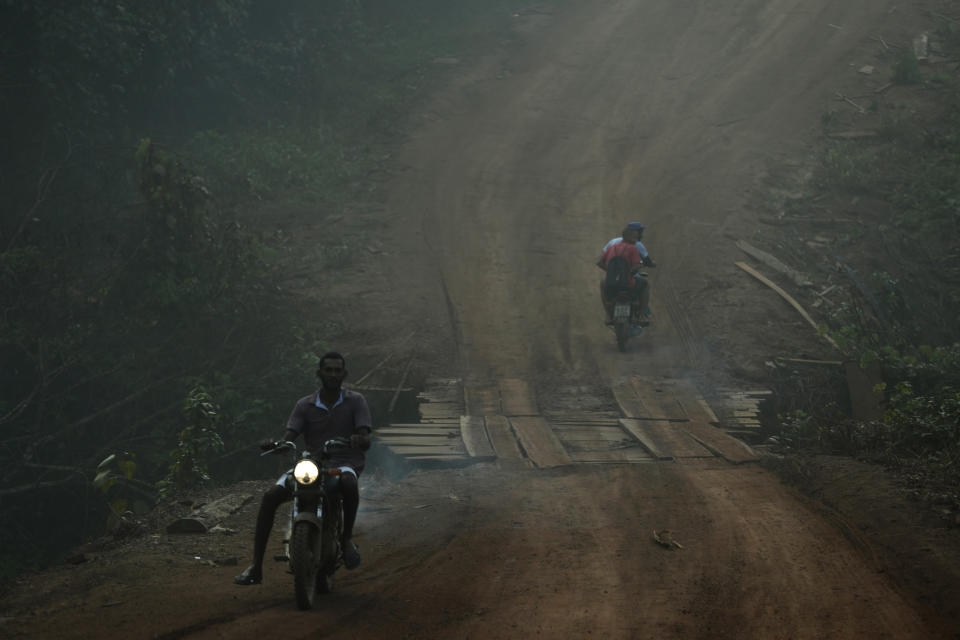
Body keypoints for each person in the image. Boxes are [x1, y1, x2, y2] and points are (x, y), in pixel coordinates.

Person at [234, 351, 372, 586]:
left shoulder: (356, 401)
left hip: (343, 464)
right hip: (311, 465)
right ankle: (256, 565)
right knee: (270, 497)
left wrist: (360, 439)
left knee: (349, 483)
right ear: (319, 373)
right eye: (328, 370)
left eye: (337, 370)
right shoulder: (305, 404)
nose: (333, 374)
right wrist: (277, 444)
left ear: (344, 374)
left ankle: (346, 539)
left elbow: (365, 433)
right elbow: (290, 435)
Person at [597, 222, 655, 321]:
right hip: (628, 283)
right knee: (645, 285)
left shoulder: (613, 244)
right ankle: (641, 315)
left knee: (603, 284)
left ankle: (607, 315)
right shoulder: (635, 247)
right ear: (635, 234)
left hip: (612, 281)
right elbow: (638, 265)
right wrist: (631, 271)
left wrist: (612, 271)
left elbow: (599, 262)